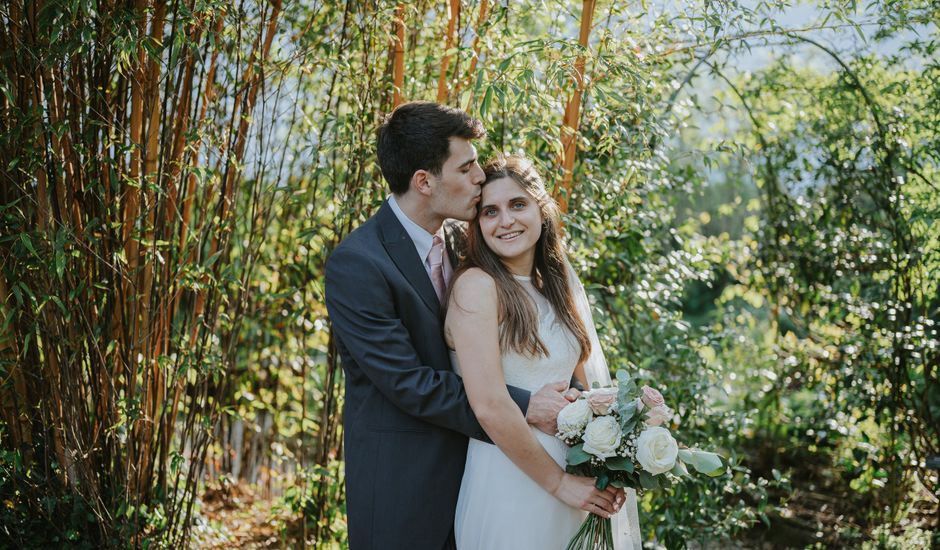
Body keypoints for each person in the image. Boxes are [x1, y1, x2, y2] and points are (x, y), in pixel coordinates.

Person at [324, 102, 621, 550]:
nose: (480, 176)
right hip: (406, 486)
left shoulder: (465, 242)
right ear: (424, 182)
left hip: (488, 470)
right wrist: (523, 404)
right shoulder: (359, 263)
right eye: (466, 168)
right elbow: (409, 382)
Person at [445, 155, 639, 549]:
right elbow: (488, 404)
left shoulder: (555, 283)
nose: (506, 221)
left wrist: (614, 451)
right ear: (477, 224)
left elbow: (583, 389)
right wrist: (559, 483)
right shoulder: (478, 286)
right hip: (512, 478)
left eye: (518, 204)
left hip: (575, 477)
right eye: (490, 212)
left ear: (540, 208)